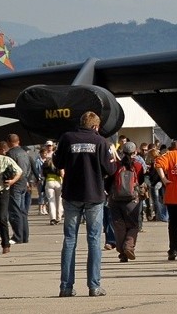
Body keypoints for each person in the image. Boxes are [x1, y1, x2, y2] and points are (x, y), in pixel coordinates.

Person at [54, 111, 114, 297]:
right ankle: (94, 286)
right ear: (95, 126)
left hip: (71, 194)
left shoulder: (67, 138)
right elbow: (110, 168)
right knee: (94, 240)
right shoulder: (101, 142)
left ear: (81, 123)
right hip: (94, 195)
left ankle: (66, 286)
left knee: (70, 239)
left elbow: (58, 162)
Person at [109, 142, 145, 262]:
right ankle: (129, 246)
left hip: (115, 199)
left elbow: (108, 181)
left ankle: (122, 253)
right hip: (132, 200)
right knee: (133, 225)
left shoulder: (116, 165)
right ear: (135, 152)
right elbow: (141, 180)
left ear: (122, 152)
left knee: (119, 226)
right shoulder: (138, 165)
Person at [5, 133, 32, 245]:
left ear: (9, 142)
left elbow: (9, 169)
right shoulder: (24, 153)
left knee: (14, 211)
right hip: (23, 182)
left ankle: (17, 236)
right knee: (22, 211)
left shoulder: (10, 153)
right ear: (18, 141)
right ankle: (24, 236)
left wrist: (7, 179)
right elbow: (29, 168)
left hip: (15, 183)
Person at [42, 141, 64, 225]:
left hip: (49, 181)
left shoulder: (46, 161)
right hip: (58, 182)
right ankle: (59, 217)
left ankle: (52, 218)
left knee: (51, 201)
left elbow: (43, 173)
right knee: (59, 200)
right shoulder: (58, 161)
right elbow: (62, 172)